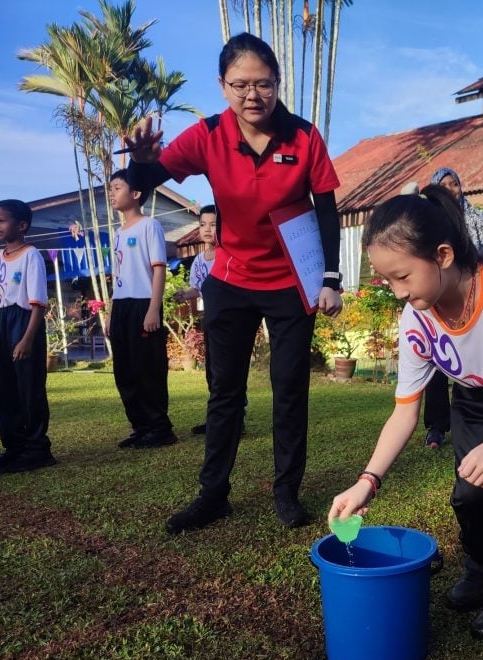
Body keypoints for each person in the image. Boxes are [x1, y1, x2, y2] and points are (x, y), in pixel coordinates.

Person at [329, 185, 483, 641]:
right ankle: (481, 570)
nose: (399, 293)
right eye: (387, 281)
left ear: (441, 255)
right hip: (477, 394)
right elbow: (405, 412)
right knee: (468, 494)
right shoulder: (416, 318)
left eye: (403, 277)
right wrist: (367, 480)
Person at [124, 32, 342, 532]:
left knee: (290, 390)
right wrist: (139, 159)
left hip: (292, 284)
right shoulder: (208, 134)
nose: (253, 95)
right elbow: (149, 178)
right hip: (230, 279)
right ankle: (213, 493)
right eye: (240, 84)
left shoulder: (304, 136)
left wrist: (330, 277)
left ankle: (286, 491)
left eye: (263, 84)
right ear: (223, 86)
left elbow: (326, 209)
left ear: (277, 83)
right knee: (225, 393)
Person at [422, 167, 483, 450]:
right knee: (438, 359)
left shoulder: (473, 217)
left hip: (474, 296)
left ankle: (477, 420)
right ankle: (436, 427)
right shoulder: (428, 221)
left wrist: (480, 265)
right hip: (439, 297)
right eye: (445, 184)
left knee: (473, 357)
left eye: (455, 183)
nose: (451, 189)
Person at [0, 199, 55, 473]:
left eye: (2, 220)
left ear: (21, 225)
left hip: (24, 321)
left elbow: (38, 303)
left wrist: (26, 338)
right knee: (3, 387)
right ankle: (15, 447)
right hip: (0, 322)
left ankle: (37, 449)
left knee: (29, 387)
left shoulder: (31, 255)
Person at [106, 169, 177, 450]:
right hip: (122, 306)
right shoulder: (117, 233)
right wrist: (111, 314)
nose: (112, 193)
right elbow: (117, 276)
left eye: (118, 187)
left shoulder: (149, 226)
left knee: (148, 367)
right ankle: (140, 426)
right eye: (110, 188)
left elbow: (158, 269)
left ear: (135, 194)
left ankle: (160, 428)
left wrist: (153, 309)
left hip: (143, 303)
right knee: (125, 369)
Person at [173, 205, 218, 435]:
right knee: (211, 372)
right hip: (210, 320)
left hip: (230, 321)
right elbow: (196, 288)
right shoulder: (199, 261)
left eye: (213, 224)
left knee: (227, 372)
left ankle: (234, 420)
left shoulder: (228, 256)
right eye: (203, 224)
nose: (208, 229)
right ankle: (216, 420)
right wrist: (184, 294)